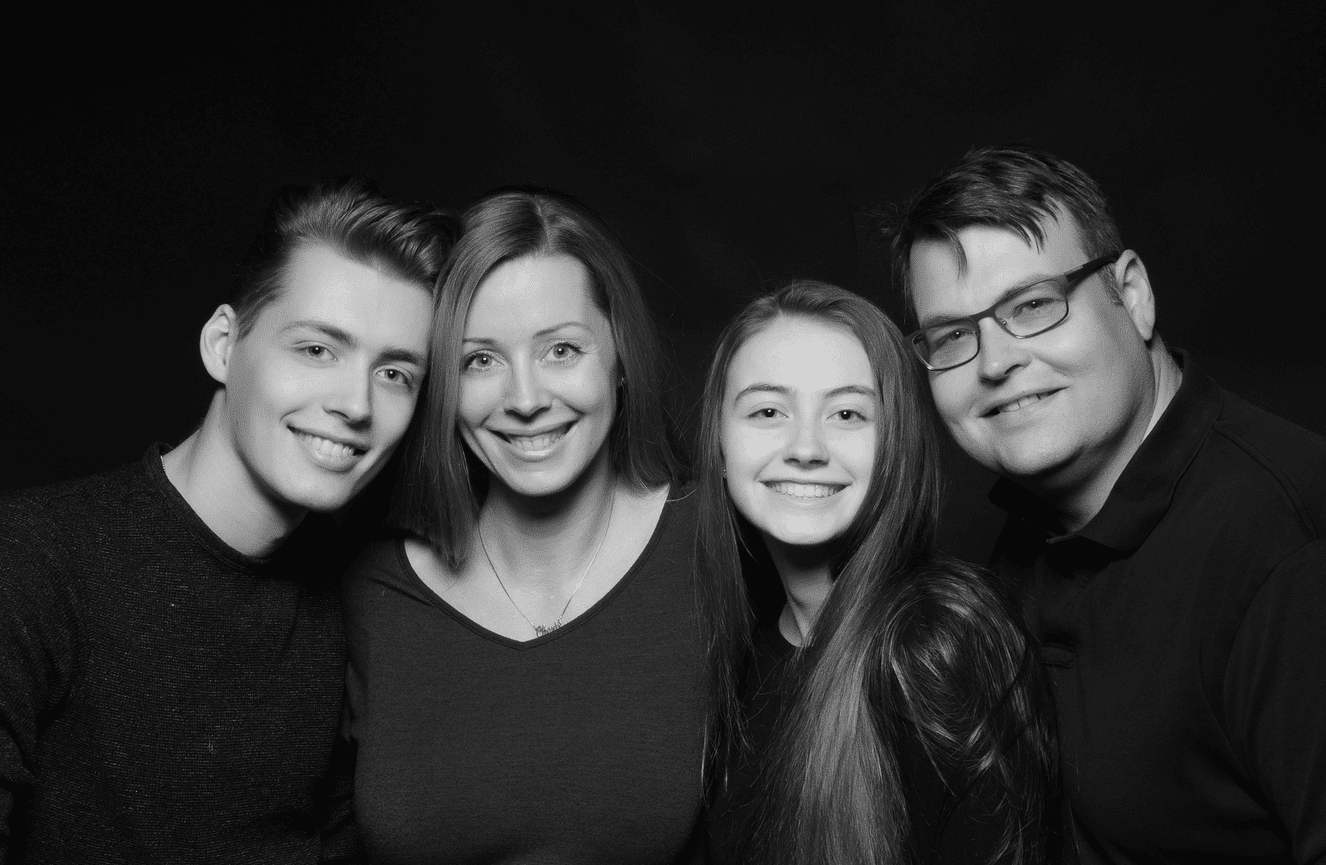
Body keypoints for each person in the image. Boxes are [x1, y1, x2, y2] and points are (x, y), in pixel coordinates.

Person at [890, 144, 1326, 864]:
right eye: (954, 336)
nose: (995, 363)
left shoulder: (1288, 551)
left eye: (1032, 305)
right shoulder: (1027, 542)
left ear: (1133, 293)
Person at [0, 178, 455, 864]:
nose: (355, 404)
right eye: (316, 349)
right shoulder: (32, 558)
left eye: (395, 374)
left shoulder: (362, 598)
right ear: (222, 344)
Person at [340, 189, 714, 864]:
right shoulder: (370, 591)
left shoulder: (717, 549)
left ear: (620, 355)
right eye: (479, 360)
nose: (525, 399)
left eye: (561, 349)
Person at [700, 281, 1057, 865]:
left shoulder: (942, 644)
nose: (807, 447)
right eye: (768, 411)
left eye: (846, 413)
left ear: (894, 444)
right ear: (719, 445)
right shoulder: (737, 657)